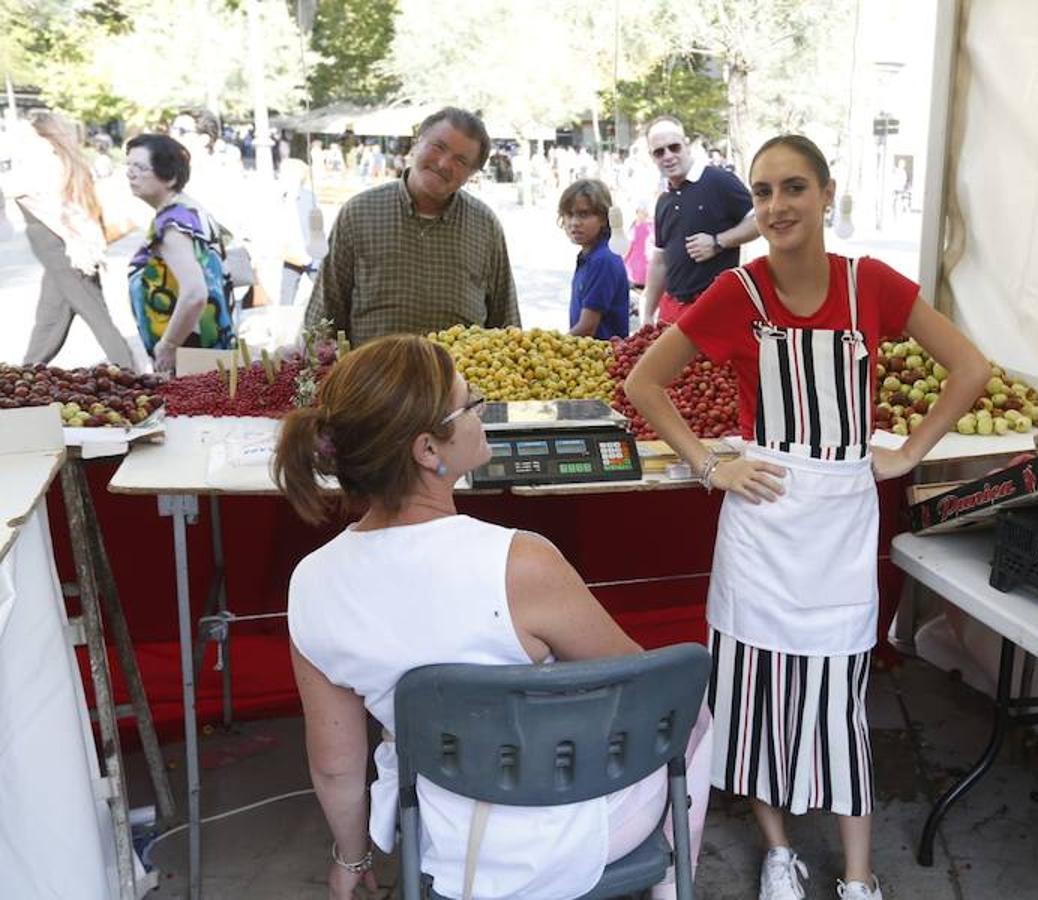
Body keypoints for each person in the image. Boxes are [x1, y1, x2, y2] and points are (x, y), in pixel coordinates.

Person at [624, 135, 988, 900]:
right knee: (753, 693)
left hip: (842, 525)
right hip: (762, 521)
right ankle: (779, 851)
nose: (777, 205)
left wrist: (910, 450)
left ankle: (859, 874)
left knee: (838, 696)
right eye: (762, 192)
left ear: (827, 193)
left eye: (793, 188)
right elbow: (646, 381)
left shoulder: (872, 287)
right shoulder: (737, 293)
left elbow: (970, 368)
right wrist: (709, 462)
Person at [273, 335, 712, 900]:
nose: (484, 405)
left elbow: (336, 766)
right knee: (695, 709)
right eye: (471, 401)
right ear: (429, 450)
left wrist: (351, 859)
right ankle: (673, 888)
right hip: (574, 833)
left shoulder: (312, 582)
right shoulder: (519, 563)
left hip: (442, 843)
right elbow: (642, 685)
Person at [303, 107, 520, 347]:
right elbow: (325, 310)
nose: (443, 163)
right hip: (373, 381)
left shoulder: (485, 226)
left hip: (456, 382)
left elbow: (506, 323)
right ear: (417, 143)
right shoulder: (359, 212)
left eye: (461, 160)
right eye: (438, 147)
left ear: (472, 173)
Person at [13, 113, 136, 369]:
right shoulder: (62, 160)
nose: (23, 138)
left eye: (29, 133)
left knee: (93, 311)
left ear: (45, 136)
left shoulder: (46, 160)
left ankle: (130, 371)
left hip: (59, 243)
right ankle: (27, 371)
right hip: (58, 243)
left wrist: (76, 242)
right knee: (51, 315)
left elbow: (54, 209)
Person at [125, 133, 234, 372]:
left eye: (141, 167)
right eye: (129, 165)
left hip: (191, 357)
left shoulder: (172, 223)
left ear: (171, 176)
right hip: (209, 351)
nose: (130, 173)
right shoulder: (190, 210)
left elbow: (195, 293)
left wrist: (168, 345)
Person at [642, 116, 759, 327]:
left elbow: (760, 220)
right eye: (659, 152)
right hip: (671, 311)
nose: (668, 156)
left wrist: (718, 241)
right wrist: (648, 314)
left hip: (713, 309)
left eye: (674, 147)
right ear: (652, 157)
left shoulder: (718, 180)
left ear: (686, 145)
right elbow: (659, 261)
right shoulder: (663, 200)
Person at [559, 179, 629, 340]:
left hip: (601, 357)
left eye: (583, 214)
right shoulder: (588, 255)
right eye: (569, 215)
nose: (574, 223)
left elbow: (587, 328)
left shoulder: (603, 260)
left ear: (604, 219)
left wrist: (552, 347)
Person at [276, 159, 327, 307]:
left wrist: (316, 256)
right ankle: (284, 327)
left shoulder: (307, 197)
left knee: (325, 295)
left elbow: (317, 228)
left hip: (310, 256)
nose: (281, 176)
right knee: (286, 296)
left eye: (284, 173)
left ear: (296, 176)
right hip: (291, 255)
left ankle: (338, 325)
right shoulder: (282, 198)